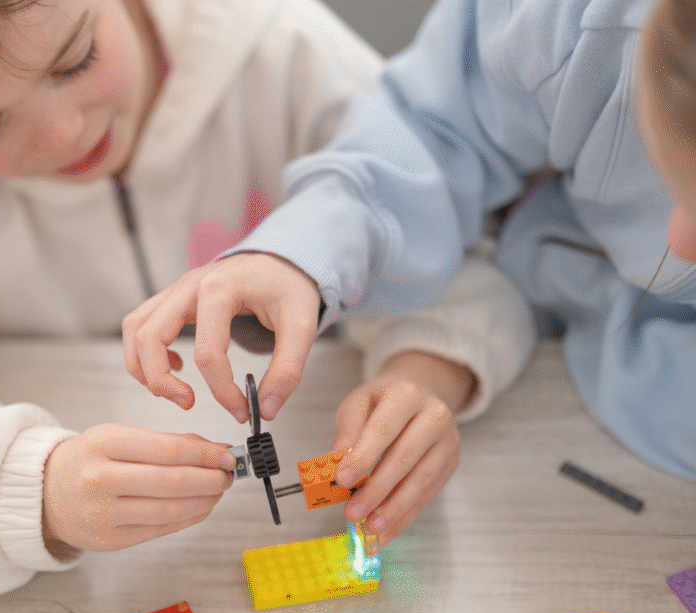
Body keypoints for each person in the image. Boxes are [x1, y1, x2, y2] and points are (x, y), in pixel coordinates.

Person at [0, 0, 532, 597]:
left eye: (74, 58)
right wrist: (31, 485)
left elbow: (464, 260)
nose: (63, 133)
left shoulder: (286, 58)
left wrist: (426, 376)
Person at [124, 0, 696, 526]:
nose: (679, 241)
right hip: (551, 358)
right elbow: (435, 131)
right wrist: (302, 251)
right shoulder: (568, 22)